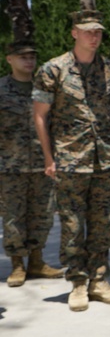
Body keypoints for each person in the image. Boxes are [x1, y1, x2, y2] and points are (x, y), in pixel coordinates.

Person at [33, 10, 110, 312]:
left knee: (103, 222)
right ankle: (77, 283)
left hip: (104, 159)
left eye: (98, 31)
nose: (94, 36)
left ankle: (99, 280)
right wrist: (49, 158)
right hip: (70, 159)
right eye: (87, 31)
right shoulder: (53, 70)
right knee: (73, 224)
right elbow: (40, 116)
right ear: (74, 33)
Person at [1, 41, 62, 287]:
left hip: (42, 164)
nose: (28, 61)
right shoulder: (1, 89)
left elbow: (57, 123)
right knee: (13, 216)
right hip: (10, 165)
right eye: (22, 56)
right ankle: (17, 265)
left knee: (43, 214)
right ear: (9, 59)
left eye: (32, 56)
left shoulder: (45, 88)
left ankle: (36, 261)